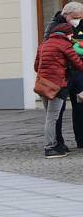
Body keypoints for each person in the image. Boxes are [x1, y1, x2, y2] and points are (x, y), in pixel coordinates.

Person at [34, 23, 83, 159]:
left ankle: (54, 145)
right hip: (57, 86)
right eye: (71, 34)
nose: (72, 36)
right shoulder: (64, 45)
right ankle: (50, 147)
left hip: (43, 85)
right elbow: (78, 64)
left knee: (49, 117)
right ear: (66, 33)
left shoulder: (43, 44)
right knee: (52, 117)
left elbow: (36, 66)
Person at [43, 2, 83, 151]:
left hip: (77, 73)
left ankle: (81, 139)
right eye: (75, 17)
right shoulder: (54, 27)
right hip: (62, 74)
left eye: (80, 17)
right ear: (66, 15)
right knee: (57, 111)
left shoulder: (80, 23)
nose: (78, 20)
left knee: (80, 105)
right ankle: (57, 143)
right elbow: (51, 48)